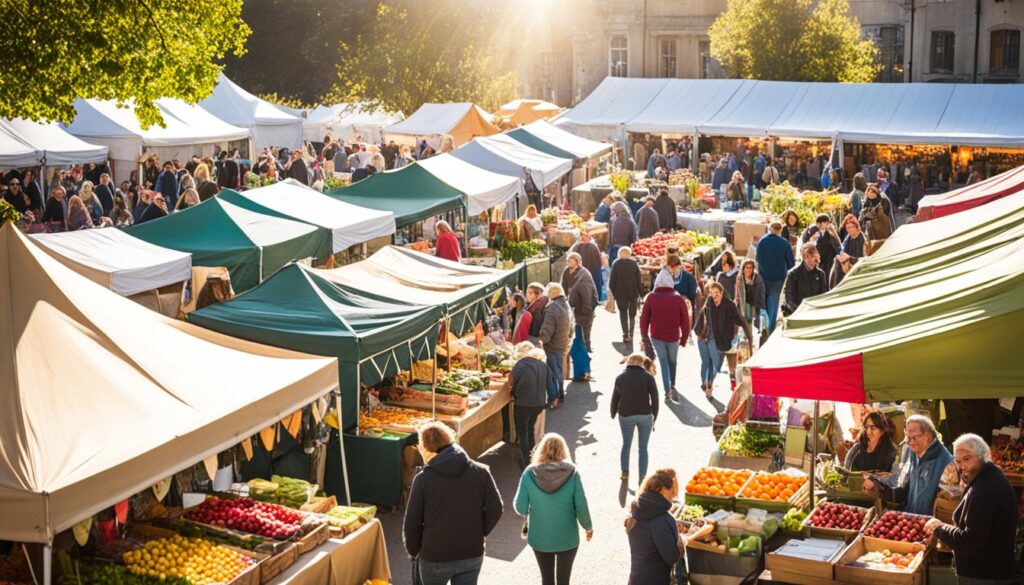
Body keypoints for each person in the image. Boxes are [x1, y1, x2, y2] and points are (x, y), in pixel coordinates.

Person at [404, 422, 503, 585]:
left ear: (427, 449)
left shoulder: (423, 479)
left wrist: (414, 551)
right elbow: (496, 508)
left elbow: (412, 522)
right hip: (471, 553)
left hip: (434, 556)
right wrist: (479, 532)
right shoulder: (481, 472)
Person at [925, 434, 1018, 585]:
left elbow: (969, 540)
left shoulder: (985, 488)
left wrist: (939, 528)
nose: (961, 466)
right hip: (988, 572)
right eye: (958, 461)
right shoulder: (988, 478)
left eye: (967, 458)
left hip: (984, 575)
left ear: (983, 456)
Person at [514, 433, 593, 585]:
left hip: (540, 538)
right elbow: (581, 506)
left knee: (547, 579)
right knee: (564, 581)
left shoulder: (529, 473)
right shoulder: (573, 473)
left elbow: (520, 507)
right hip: (567, 538)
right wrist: (588, 527)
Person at [864, 415, 953, 516]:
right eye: (908, 437)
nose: (910, 442)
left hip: (930, 524)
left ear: (928, 436)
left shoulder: (948, 464)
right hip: (909, 519)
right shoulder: (909, 449)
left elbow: (946, 507)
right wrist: (877, 482)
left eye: (914, 437)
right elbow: (900, 483)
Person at [694, 281, 753, 397]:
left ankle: (709, 384)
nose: (714, 296)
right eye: (712, 293)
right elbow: (702, 315)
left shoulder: (729, 305)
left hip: (721, 340)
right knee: (706, 362)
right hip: (705, 336)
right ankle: (705, 383)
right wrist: (698, 330)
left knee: (716, 363)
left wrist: (749, 338)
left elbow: (741, 320)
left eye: (717, 293)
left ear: (722, 293)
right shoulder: (710, 301)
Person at [626, 468, 683, 585]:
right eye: (671, 492)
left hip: (635, 579)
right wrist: (682, 540)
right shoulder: (664, 520)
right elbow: (672, 557)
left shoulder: (635, 509)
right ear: (661, 490)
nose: (674, 496)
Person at [639, 271, 690, 402]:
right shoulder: (678, 298)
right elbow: (685, 320)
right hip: (674, 336)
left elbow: (644, 318)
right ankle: (672, 384)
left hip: (656, 335)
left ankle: (667, 390)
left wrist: (644, 334)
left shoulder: (651, 297)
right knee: (673, 361)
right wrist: (684, 338)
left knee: (663, 361)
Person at [611, 353, 660, 482]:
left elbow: (615, 398)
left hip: (626, 415)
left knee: (626, 444)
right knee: (643, 448)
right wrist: (654, 416)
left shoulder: (620, 378)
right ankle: (642, 478)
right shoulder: (649, 378)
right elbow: (655, 399)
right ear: (642, 364)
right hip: (645, 415)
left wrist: (613, 412)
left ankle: (625, 472)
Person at [510, 342, 554, 467]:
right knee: (530, 428)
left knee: (522, 431)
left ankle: (526, 461)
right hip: (539, 404)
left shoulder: (519, 365)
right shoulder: (543, 365)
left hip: (523, 404)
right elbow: (551, 382)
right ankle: (533, 457)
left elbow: (512, 383)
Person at [755, 221, 795, 331]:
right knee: (773, 311)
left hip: (763, 279)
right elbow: (791, 264)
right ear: (781, 230)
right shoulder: (784, 243)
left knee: (763, 310)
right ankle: (769, 333)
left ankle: (762, 331)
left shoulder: (762, 241)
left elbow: (757, 260)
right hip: (778, 282)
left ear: (770, 228)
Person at [538, 282, 572, 404]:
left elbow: (546, 331)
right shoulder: (565, 305)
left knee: (553, 372)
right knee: (558, 370)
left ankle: (555, 397)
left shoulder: (552, 308)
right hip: (562, 342)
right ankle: (560, 394)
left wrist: (540, 342)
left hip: (552, 345)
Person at [561, 253, 597, 354]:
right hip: (572, 302)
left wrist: (587, 307)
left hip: (585, 302)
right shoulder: (566, 271)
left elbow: (588, 292)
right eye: (567, 261)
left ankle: (587, 346)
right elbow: (563, 286)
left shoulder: (584, 274)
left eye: (571, 261)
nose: (568, 263)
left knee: (586, 325)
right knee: (575, 326)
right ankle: (579, 347)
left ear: (577, 262)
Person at [782, 243, 828, 317]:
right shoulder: (793, 274)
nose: (811, 262)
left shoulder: (821, 274)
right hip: (797, 314)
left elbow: (824, 295)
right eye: (808, 258)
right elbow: (789, 298)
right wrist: (799, 312)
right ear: (804, 258)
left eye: (813, 258)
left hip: (815, 313)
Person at [608, 247, 643, 343]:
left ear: (619, 254)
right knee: (632, 315)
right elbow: (638, 281)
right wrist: (641, 294)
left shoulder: (616, 264)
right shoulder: (634, 264)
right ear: (630, 254)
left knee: (623, 313)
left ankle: (625, 334)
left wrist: (614, 293)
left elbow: (612, 281)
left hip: (620, 294)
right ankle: (631, 334)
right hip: (633, 294)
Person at [568, 231, 603, 302]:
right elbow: (599, 262)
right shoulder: (593, 247)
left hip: (580, 274)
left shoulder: (576, 246)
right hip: (593, 272)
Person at [736, 259, 766, 335]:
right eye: (747, 267)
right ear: (743, 269)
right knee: (744, 327)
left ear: (753, 269)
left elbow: (760, 295)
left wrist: (750, 286)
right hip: (743, 306)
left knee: (753, 327)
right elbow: (737, 294)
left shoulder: (758, 279)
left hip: (754, 306)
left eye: (750, 268)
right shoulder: (740, 278)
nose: (748, 270)